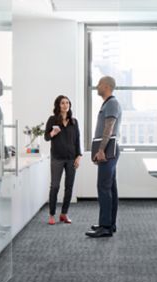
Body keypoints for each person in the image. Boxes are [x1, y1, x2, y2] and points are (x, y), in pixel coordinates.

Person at [86, 76, 121, 238]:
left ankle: (105, 226)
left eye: (99, 84)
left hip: (108, 151)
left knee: (104, 188)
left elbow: (109, 128)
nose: (97, 86)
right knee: (110, 188)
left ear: (106, 86)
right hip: (107, 150)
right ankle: (109, 224)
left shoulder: (112, 103)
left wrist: (101, 150)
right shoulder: (108, 103)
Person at [44, 95, 82, 225]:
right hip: (57, 158)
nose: (65, 105)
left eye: (67, 103)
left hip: (71, 158)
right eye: (62, 103)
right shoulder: (52, 119)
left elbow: (77, 141)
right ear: (58, 105)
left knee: (69, 187)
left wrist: (79, 156)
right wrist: (52, 133)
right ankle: (52, 214)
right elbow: (46, 137)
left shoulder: (74, 122)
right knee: (55, 186)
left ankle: (64, 214)